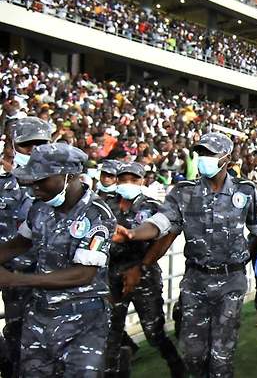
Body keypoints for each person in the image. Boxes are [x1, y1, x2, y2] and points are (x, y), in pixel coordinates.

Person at [112, 132, 257, 377]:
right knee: (193, 355)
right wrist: (133, 233)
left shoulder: (245, 191)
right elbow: (160, 223)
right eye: (201, 153)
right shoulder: (183, 192)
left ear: (227, 158)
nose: (204, 159)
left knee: (221, 360)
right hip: (195, 282)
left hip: (230, 282)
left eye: (210, 154)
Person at [0, 143, 115, 376]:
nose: (34, 187)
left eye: (41, 180)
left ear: (69, 176)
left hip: (84, 320)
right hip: (40, 316)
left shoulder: (97, 214)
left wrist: (14, 280)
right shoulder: (39, 207)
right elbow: (21, 243)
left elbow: (84, 273)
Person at [104, 162, 184, 378]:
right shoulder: (106, 204)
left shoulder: (152, 206)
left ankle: (177, 367)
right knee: (110, 333)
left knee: (154, 331)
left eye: (134, 179)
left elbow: (164, 237)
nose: (128, 183)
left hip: (143, 276)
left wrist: (142, 266)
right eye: (124, 179)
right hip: (112, 278)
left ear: (142, 181)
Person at [0, 116, 52, 377]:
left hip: (55, 280)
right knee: (17, 343)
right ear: (12, 145)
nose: (33, 152)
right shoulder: (2, 185)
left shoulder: (62, 186)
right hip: (12, 281)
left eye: (40, 145)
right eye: (26, 146)